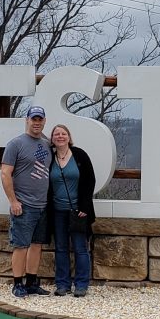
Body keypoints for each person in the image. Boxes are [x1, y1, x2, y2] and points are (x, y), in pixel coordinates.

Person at [0, 106, 52, 298]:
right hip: (24, 204)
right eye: (33, 119)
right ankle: (17, 284)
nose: (36, 123)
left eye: (40, 119)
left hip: (43, 205)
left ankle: (31, 282)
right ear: (27, 120)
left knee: (37, 244)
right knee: (21, 245)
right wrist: (13, 201)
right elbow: (5, 173)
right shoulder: (16, 144)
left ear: (44, 121)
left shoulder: (47, 145)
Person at [46, 124, 96, 297]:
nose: (60, 136)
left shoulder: (80, 155)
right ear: (51, 139)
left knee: (80, 248)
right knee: (60, 248)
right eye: (56, 134)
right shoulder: (49, 158)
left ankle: (81, 284)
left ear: (69, 136)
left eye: (63, 133)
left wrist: (85, 206)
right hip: (57, 211)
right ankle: (62, 284)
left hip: (78, 212)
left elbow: (90, 181)